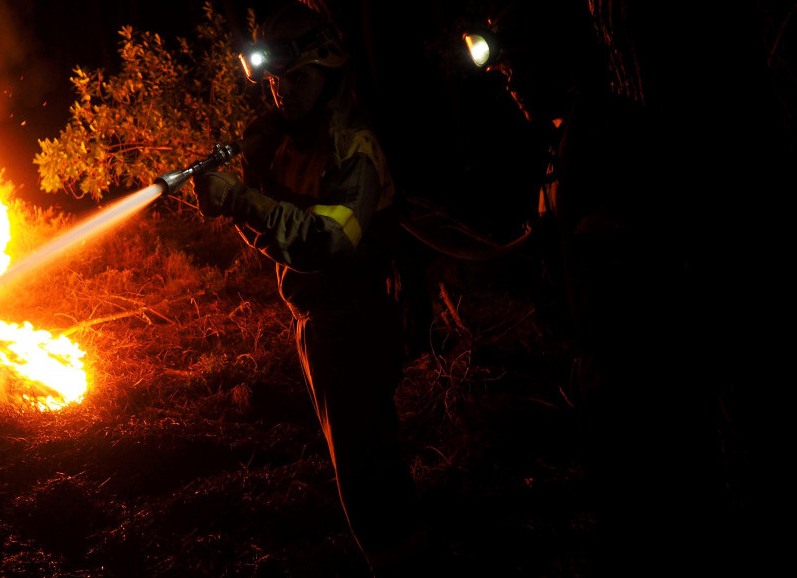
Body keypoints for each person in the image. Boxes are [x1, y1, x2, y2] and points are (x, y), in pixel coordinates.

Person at [462, 1, 743, 576]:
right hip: (611, 369)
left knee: (666, 523)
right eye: (505, 72)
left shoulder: (608, 135)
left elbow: (644, 255)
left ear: (559, 66)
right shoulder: (563, 140)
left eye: (519, 69)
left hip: (647, 373)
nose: (510, 84)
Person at [193, 2, 443, 576]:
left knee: (368, 473)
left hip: (359, 321)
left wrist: (239, 200)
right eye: (277, 81)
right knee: (356, 470)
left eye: (297, 77)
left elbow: (326, 244)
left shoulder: (355, 150)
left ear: (329, 71)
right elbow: (277, 237)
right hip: (317, 325)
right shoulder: (287, 142)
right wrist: (237, 192)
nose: (284, 92)